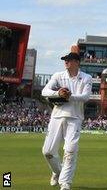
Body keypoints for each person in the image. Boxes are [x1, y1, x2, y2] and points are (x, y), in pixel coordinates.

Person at [41, 51, 93, 190]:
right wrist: (58, 93)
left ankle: (65, 183)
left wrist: (69, 96)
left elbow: (85, 96)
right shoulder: (58, 75)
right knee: (48, 151)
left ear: (77, 62)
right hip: (57, 116)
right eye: (65, 60)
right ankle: (57, 172)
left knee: (70, 151)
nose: (66, 62)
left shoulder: (86, 78)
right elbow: (44, 91)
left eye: (68, 60)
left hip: (75, 118)